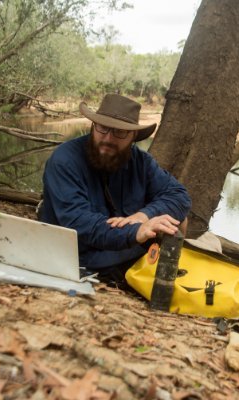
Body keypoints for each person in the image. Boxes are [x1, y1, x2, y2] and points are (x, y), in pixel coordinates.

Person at [40, 93, 191, 285]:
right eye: (103, 128)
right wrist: (135, 231)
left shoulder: (141, 162)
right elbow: (80, 224)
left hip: (126, 250)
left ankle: (162, 280)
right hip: (80, 255)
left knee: (177, 220)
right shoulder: (64, 160)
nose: (108, 138)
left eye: (120, 132)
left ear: (133, 136)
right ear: (93, 125)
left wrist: (144, 216)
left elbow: (179, 196)